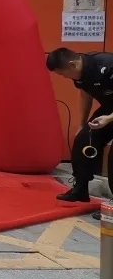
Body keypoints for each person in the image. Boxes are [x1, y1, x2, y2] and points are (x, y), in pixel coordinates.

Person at [46, 47, 113, 208]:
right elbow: (85, 94)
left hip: (110, 115)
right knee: (83, 139)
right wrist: (82, 124)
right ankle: (80, 189)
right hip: (109, 109)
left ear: (72, 64)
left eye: (62, 74)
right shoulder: (81, 72)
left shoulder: (108, 66)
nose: (64, 77)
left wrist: (109, 119)